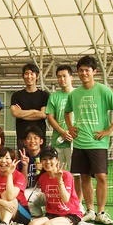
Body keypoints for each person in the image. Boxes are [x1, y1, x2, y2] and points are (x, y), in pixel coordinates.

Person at [65, 55, 113, 225]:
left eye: (87, 70)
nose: (84, 73)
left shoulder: (103, 90)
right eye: (81, 70)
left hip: (98, 142)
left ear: (94, 72)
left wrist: (109, 130)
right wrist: (70, 127)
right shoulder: (74, 94)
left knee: (101, 177)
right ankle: (90, 211)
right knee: (84, 177)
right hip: (79, 143)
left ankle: (101, 212)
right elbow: (67, 112)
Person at [26, 147, 100, 225]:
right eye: (44, 159)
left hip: (70, 213)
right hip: (52, 213)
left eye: (51, 158)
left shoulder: (66, 175)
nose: (48, 162)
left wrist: (59, 180)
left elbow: (65, 199)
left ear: (57, 160)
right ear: (41, 162)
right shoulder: (42, 178)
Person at [45, 64, 81, 201]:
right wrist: (62, 132)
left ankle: (77, 204)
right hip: (58, 142)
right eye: (59, 77)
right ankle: (58, 202)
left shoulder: (79, 94)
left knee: (77, 176)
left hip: (76, 142)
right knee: (57, 173)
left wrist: (72, 133)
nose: (62, 79)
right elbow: (50, 117)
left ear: (71, 77)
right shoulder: (54, 97)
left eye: (64, 76)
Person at [10, 63, 49, 148]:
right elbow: (15, 113)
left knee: (40, 157)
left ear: (37, 76)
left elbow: (43, 114)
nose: (29, 76)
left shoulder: (44, 95)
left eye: (32, 74)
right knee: (23, 156)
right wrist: (35, 111)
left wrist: (22, 113)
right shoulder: (16, 95)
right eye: (26, 73)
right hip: (22, 137)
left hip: (39, 138)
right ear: (23, 76)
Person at [17, 125, 45, 216]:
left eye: (35, 138)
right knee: (23, 194)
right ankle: (37, 215)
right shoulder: (22, 159)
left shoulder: (47, 157)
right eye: (29, 138)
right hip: (30, 192)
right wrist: (25, 166)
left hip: (46, 191)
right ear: (25, 142)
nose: (32, 141)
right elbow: (23, 184)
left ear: (41, 141)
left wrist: (44, 169)